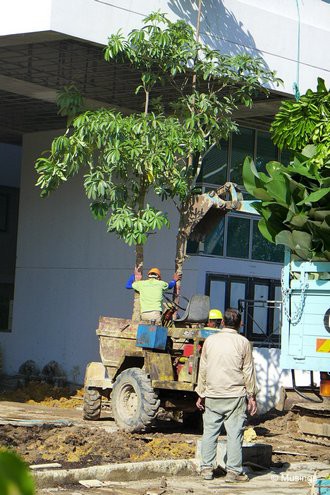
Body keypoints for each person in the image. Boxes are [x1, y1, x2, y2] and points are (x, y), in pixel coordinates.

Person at [195, 307, 258, 483]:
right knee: (234, 434)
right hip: (235, 396)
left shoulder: (210, 341)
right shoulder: (243, 342)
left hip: (213, 394)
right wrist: (252, 396)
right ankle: (233, 472)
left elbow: (203, 369)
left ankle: (206, 469)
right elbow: (248, 371)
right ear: (239, 324)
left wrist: (201, 393)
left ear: (222, 322)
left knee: (209, 433)